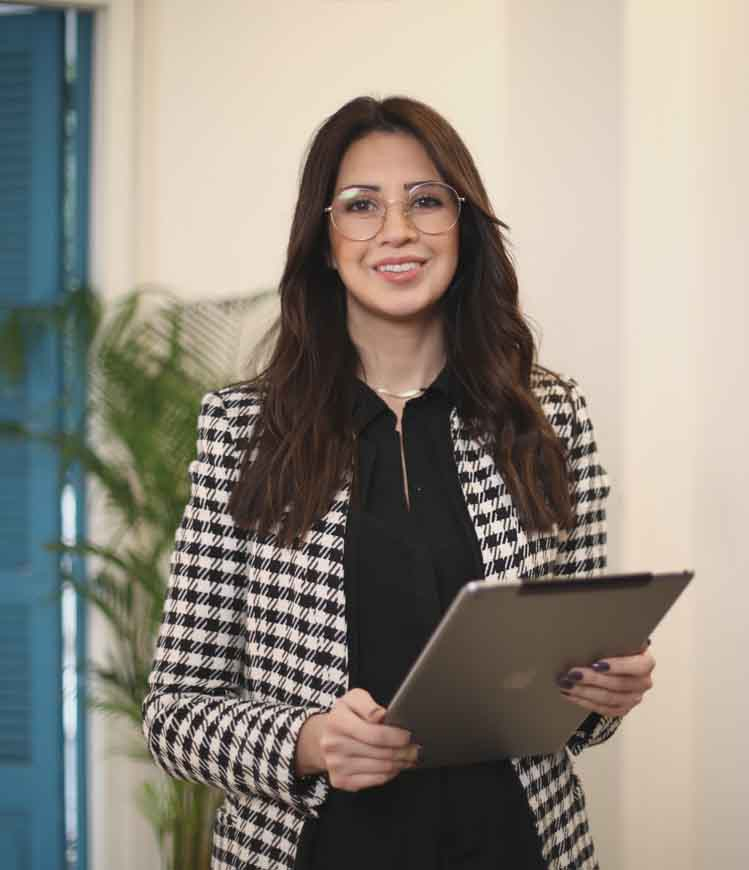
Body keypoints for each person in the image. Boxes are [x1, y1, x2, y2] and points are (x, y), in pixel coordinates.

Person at [142, 95, 655, 870]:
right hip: (318, 848)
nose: (397, 231)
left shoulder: (551, 414)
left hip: (515, 843)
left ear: (464, 225)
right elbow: (173, 715)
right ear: (323, 241)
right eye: (360, 206)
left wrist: (601, 697)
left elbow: (570, 689)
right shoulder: (242, 430)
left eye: (425, 201)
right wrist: (308, 742)